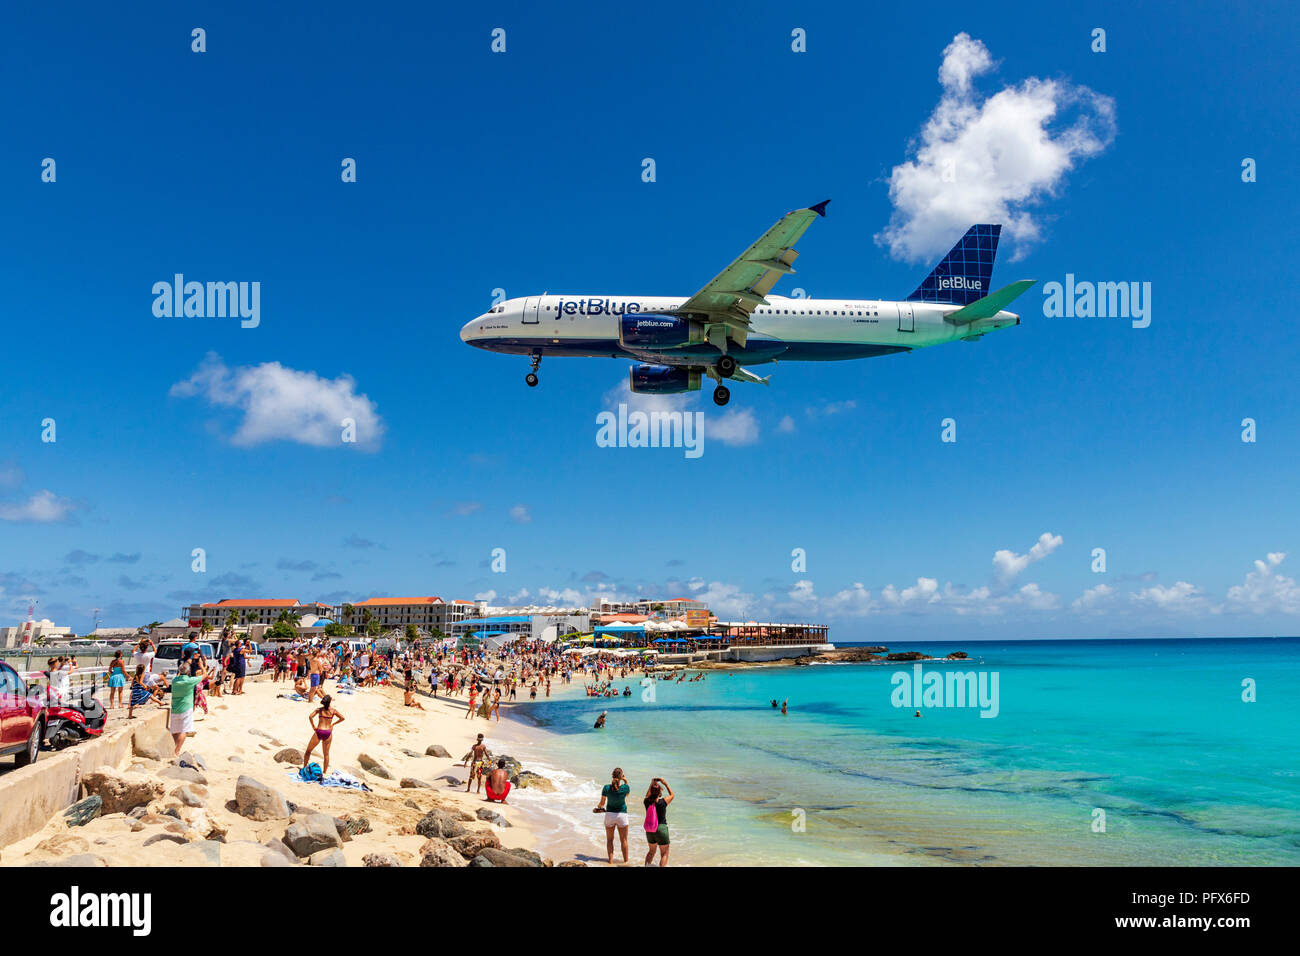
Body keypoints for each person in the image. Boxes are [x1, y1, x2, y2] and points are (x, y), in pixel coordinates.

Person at [168, 654, 205, 757]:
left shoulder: (174, 680)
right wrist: (201, 665)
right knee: (184, 730)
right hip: (186, 707)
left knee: (175, 730)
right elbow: (204, 675)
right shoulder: (190, 681)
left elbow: (178, 674)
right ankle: (176, 751)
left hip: (175, 708)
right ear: (188, 671)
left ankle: (175, 748)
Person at [593, 767, 631, 865]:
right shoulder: (625, 788)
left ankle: (610, 862)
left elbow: (602, 803)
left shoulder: (606, 788)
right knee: (624, 840)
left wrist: (599, 807)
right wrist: (625, 780)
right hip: (622, 815)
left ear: (612, 776)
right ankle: (626, 862)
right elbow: (627, 793)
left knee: (610, 840)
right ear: (621, 776)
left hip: (609, 815)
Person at [303, 695, 344, 775]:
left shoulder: (319, 710)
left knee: (308, 751)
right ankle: (324, 772)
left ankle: (304, 768)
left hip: (319, 731)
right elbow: (342, 718)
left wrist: (313, 726)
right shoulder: (333, 711)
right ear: (330, 701)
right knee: (326, 754)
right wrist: (333, 724)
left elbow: (310, 716)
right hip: (328, 732)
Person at [642, 777, 674, 867]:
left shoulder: (646, 802)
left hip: (650, 830)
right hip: (661, 828)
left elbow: (647, 796)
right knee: (664, 853)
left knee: (651, 852)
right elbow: (672, 795)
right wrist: (665, 784)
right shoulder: (663, 802)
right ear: (660, 793)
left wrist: (652, 784)